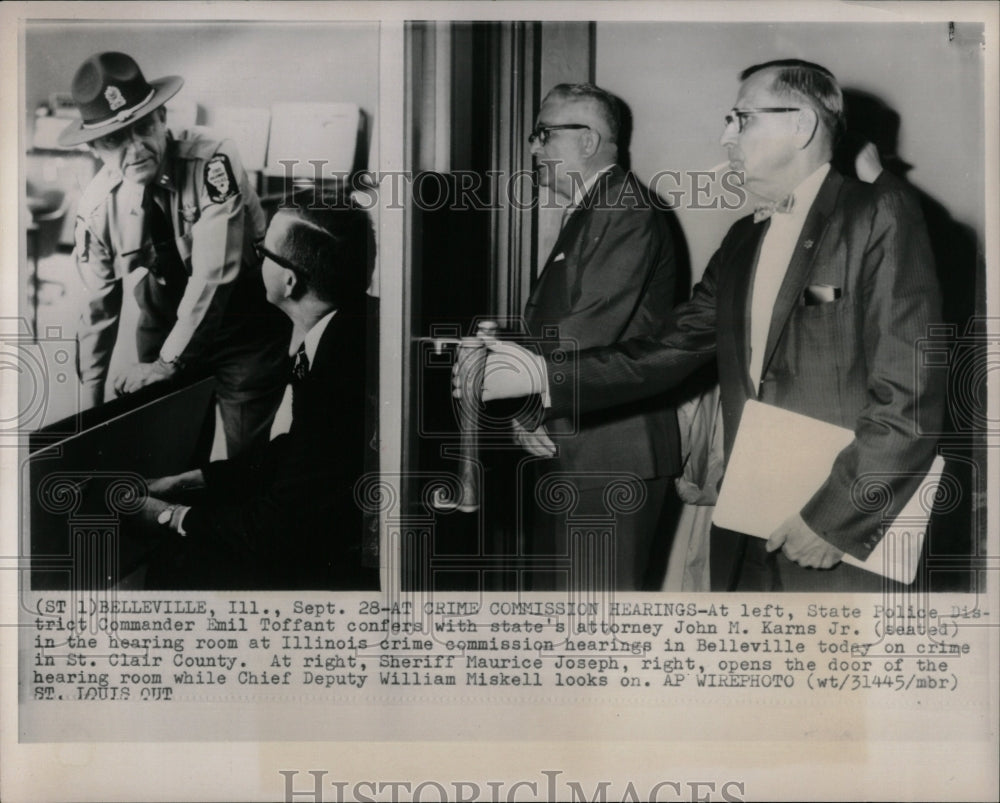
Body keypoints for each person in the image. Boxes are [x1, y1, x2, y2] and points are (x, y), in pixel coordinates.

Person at [462, 60, 944, 592]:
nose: (724, 137)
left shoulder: (878, 212)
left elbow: (911, 393)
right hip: (747, 527)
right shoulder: (742, 240)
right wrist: (537, 377)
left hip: (838, 536)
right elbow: (666, 350)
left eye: (740, 119)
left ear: (801, 125)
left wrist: (836, 516)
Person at [135, 200, 377, 590]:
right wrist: (192, 480)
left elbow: (279, 527)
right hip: (333, 523)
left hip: (339, 560)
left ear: (290, 282)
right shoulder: (349, 329)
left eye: (263, 251)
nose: (255, 257)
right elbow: (297, 452)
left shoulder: (336, 369)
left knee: (178, 564)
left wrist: (170, 516)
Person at [495, 83, 679, 591]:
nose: (533, 147)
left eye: (543, 134)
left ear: (588, 141)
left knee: (595, 632)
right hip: (581, 446)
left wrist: (529, 401)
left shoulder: (623, 207)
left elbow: (589, 327)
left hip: (611, 456)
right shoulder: (595, 208)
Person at [59, 51, 289, 459]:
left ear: (162, 118)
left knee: (243, 462)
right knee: (168, 454)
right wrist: (88, 420)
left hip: (243, 322)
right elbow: (97, 315)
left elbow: (213, 276)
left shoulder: (213, 159)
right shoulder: (96, 209)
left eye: (142, 126)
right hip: (164, 320)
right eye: (114, 140)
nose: (135, 148)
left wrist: (167, 364)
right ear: (95, 148)